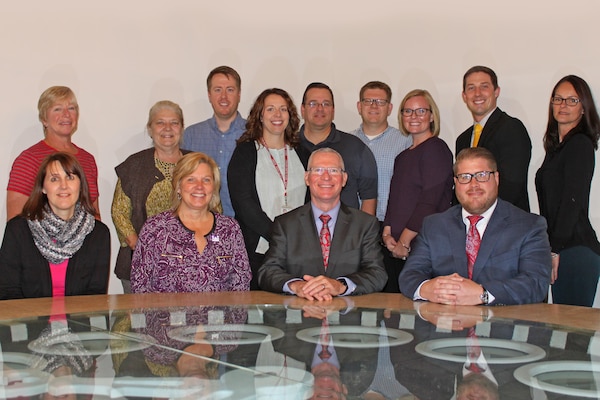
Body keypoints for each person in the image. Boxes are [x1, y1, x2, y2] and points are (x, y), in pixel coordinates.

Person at [399, 147, 552, 305]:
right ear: (455, 182)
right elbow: (409, 276)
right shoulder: (434, 225)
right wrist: (427, 288)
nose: (474, 184)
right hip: (447, 324)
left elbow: (536, 283)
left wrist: (482, 294)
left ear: (496, 178)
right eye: (465, 177)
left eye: (482, 175)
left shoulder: (528, 226)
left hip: (502, 324)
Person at [258, 148, 387, 300]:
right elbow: (267, 271)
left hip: (346, 317)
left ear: (344, 178)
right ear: (307, 178)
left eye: (333, 170)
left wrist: (341, 286)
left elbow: (377, 274)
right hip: (300, 316)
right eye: (318, 170)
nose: (326, 177)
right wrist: (297, 286)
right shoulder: (285, 224)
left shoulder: (365, 224)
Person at [131, 152, 251, 293]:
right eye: (191, 179)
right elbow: (140, 286)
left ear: (214, 187)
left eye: (206, 180)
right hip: (166, 315)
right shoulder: (155, 228)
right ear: (178, 186)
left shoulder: (230, 229)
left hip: (219, 315)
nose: (199, 186)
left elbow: (241, 283)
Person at [228, 88, 309, 290]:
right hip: (258, 250)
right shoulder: (246, 152)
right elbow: (244, 204)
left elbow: (312, 198)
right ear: (260, 116)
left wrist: (297, 238)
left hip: (299, 250)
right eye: (270, 109)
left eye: (283, 109)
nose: (277, 115)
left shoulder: (302, 153)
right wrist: (278, 236)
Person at [0, 152, 110, 299]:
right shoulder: (18, 230)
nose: (63, 186)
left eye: (70, 177)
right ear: (43, 188)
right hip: (29, 320)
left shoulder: (98, 234)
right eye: (54, 179)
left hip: (78, 321)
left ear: (80, 185)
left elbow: (96, 296)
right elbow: (8, 292)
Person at [111, 100, 190, 293]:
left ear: (181, 127)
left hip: (189, 267)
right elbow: (119, 211)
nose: (167, 128)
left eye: (174, 122)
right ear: (150, 128)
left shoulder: (196, 163)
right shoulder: (134, 165)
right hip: (140, 265)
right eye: (160, 122)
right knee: (141, 322)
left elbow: (214, 209)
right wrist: (141, 250)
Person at [535, 75, 600, 307]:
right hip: (561, 248)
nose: (563, 105)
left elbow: (572, 201)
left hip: (575, 251)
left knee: (571, 337)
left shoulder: (580, 144)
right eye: (558, 99)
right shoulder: (557, 149)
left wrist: (555, 250)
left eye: (572, 100)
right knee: (561, 334)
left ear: (584, 108)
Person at [381, 89, 454, 293]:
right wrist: (386, 233)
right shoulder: (403, 157)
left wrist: (404, 241)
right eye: (408, 111)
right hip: (397, 247)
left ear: (431, 116)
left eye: (421, 111)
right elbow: (394, 199)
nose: (414, 117)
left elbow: (429, 201)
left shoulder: (436, 149)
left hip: (421, 246)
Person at [7, 86, 100, 220]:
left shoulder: (87, 159)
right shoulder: (28, 159)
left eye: (71, 108)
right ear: (44, 119)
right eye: (58, 109)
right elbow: (15, 222)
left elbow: (94, 213)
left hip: (84, 240)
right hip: (41, 240)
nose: (66, 114)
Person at [455, 66, 532, 212]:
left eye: (484, 86)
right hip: (472, 226)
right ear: (464, 96)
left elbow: (512, 185)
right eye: (471, 88)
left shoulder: (511, 128)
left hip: (506, 222)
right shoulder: (462, 140)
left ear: (496, 91)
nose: (477, 94)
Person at [299, 82, 378, 215]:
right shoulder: (288, 146)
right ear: (302, 109)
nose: (320, 108)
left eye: (326, 104)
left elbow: (369, 198)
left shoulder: (356, 147)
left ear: (333, 110)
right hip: (296, 232)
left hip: (347, 233)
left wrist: (363, 233)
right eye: (313, 103)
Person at [183, 66, 245, 217]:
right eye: (218, 90)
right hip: (200, 223)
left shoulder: (255, 133)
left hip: (245, 225)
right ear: (209, 95)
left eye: (230, 90)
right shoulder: (191, 135)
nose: (223, 96)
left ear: (239, 95)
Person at [350, 81, 412, 222]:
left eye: (380, 102)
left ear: (389, 108)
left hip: (391, 225)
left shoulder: (406, 142)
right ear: (359, 107)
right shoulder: (346, 142)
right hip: (351, 226)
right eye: (368, 101)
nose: (374, 106)